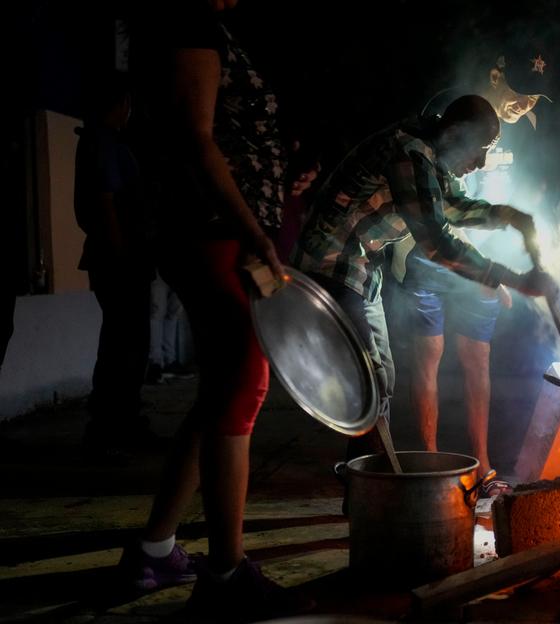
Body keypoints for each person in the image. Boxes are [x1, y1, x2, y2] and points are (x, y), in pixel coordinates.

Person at [120, 1, 315, 619]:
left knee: (219, 393)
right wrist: (254, 229)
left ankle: (155, 549)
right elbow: (197, 139)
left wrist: (278, 181)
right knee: (243, 380)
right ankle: (226, 573)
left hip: (217, 228)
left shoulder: (199, 26)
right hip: (210, 230)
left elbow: (224, 138)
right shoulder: (185, 25)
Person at [291, 95, 557, 473]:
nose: (480, 162)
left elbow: (451, 206)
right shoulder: (409, 151)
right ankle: (374, 488)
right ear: (454, 133)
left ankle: (366, 487)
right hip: (332, 267)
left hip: (361, 271)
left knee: (381, 382)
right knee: (370, 381)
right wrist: (513, 280)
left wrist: (509, 216)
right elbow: (437, 240)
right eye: (480, 150)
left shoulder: (428, 154)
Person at [389, 45, 556, 495]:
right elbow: (435, 209)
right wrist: (502, 275)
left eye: (536, 98)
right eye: (523, 92)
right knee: (428, 356)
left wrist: (503, 257)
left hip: (478, 258)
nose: (527, 104)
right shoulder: (448, 111)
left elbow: (511, 194)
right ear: (497, 77)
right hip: (431, 252)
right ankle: (429, 463)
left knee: (477, 359)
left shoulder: (528, 132)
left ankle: (481, 468)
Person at [72, 71, 159, 458]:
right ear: (120, 103)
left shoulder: (99, 142)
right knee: (125, 342)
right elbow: (106, 201)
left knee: (124, 340)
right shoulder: (103, 143)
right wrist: (123, 251)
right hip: (120, 257)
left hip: (117, 255)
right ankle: (113, 425)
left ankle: (117, 422)